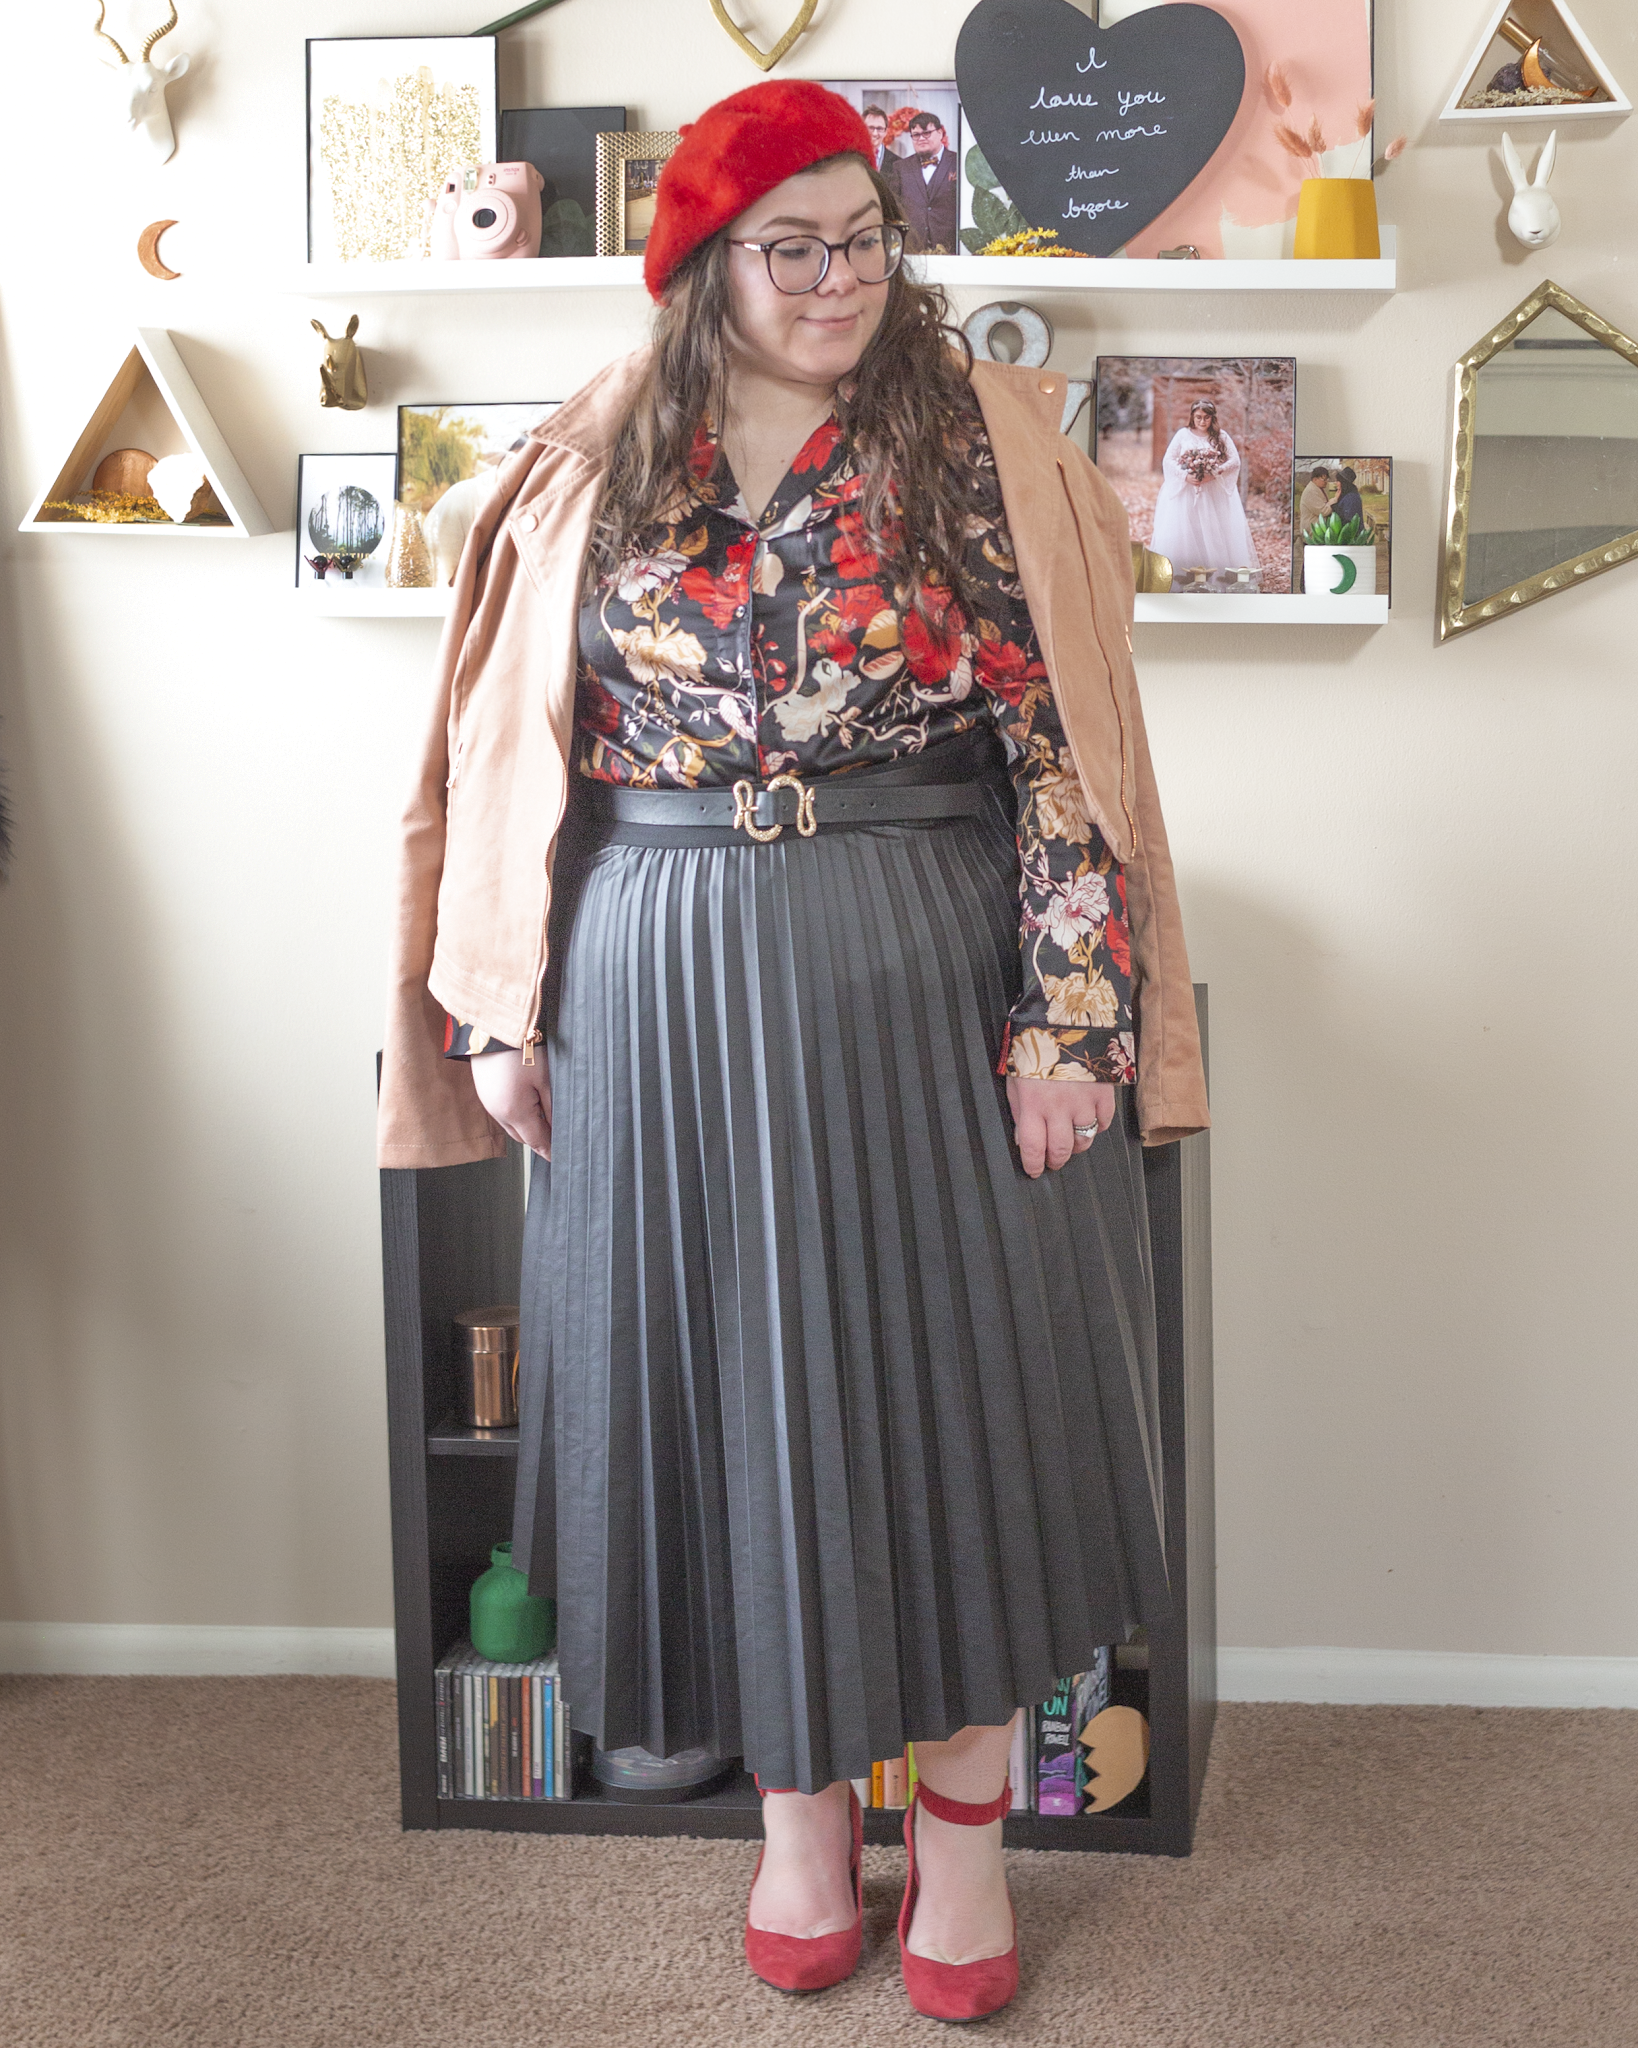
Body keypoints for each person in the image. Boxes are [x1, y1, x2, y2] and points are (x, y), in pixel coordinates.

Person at [378, 80, 1207, 2024]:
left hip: (924, 957)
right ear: (704, 268)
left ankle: (975, 1852)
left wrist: (1072, 1013)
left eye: (864, 237)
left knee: (964, 1403)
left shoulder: (984, 441)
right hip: (649, 980)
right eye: (793, 245)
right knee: (718, 1415)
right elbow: (512, 758)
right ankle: (804, 1834)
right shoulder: (592, 456)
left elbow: (1067, 753)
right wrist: (503, 1005)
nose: (841, 278)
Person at [1149, 397, 1258, 577]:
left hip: (1212, 492)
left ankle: (1217, 574)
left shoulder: (1221, 436)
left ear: (1212, 418)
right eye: (1198, 417)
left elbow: (1234, 461)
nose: (1202, 421)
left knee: (1212, 530)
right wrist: (1185, 476)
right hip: (1186, 492)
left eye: (1206, 418)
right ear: (1192, 417)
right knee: (1186, 530)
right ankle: (1183, 574)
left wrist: (1214, 473)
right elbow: (1168, 459)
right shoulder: (1183, 434)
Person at [894, 109, 959, 254]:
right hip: (912, 249)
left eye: (926, 133)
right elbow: (895, 209)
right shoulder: (900, 167)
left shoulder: (959, 163)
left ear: (941, 133)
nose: (921, 138)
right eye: (916, 135)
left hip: (951, 249)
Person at [1299, 464, 1335, 534]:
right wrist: (1334, 501)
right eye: (1324, 479)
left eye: (1327, 479)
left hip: (1317, 529)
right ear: (1315, 479)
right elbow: (1324, 511)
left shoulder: (1319, 488)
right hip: (1311, 530)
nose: (1326, 482)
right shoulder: (1310, 491)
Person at [1333, 464, 1367, 530]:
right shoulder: (1346, 494)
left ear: (1343, 482)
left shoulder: (1351, 498)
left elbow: (1348, 520)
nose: (1335, 483)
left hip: (1352, 537)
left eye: (1338, 481)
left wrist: (1334, 505)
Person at [861, 102, 890, 172]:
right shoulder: (851, 160)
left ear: (885, 132)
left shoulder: (897, 163)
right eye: (870, 128)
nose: (875, 133)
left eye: (879, 128)